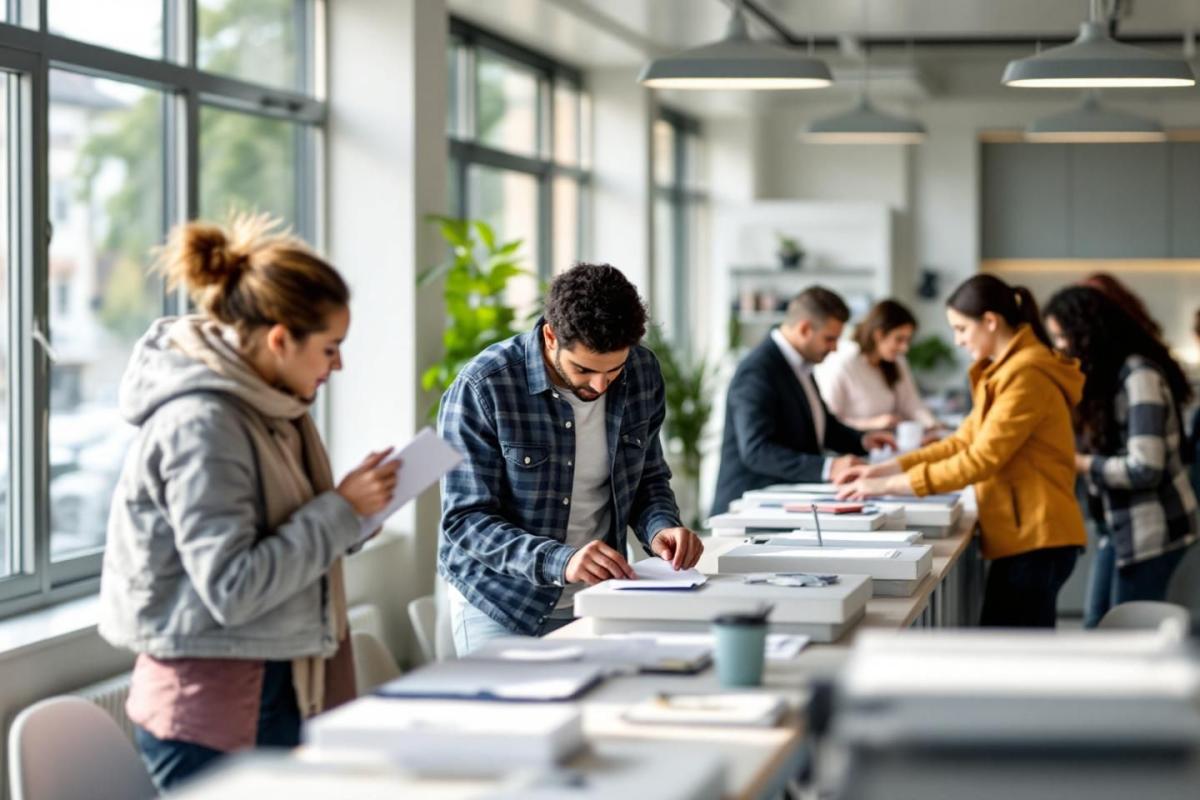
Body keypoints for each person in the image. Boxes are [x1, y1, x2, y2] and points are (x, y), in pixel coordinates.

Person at [99, 215, 400, 790]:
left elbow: (283, 529)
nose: (339, 366)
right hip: (216, 715)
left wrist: (356, 513)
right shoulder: (203, 424)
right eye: (331, 348)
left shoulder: (271, 405)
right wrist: (339, 511)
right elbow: (233, 587)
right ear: (280, 338)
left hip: (272, 688)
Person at [438, 263, 703, 655]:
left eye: (614, 370)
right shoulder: (484, 387)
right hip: (501, 601)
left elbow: (647, 477)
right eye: (584, 369)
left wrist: (659, 527)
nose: (599, 385)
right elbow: (466, 521)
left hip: (598, 597)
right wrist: (559, 560)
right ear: (550, 336)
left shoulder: (643, 373)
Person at [837, 274, 1087, 628]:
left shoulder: (1025, 375)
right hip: (1027, 536)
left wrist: (884, 487)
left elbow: (979, 460)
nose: (957, 341)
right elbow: (959, 442)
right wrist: (882, 471)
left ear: (990, 321)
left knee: (1014, 664)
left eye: (962, 329)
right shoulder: (1005, 371)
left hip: (1038, 538)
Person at [1044, 287, 1197, 627]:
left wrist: (1081, 463)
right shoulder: (1110, 376)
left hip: (1152, 529)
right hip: (1120, 526)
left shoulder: (1139, 377)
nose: (1060, 347)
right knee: (1098, 625)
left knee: (1125, 636)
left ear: (1087, 333)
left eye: (1062, 336)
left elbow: (1145, 468)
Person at [710, 286, 895, 517]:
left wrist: (863, 441)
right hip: (747, 512)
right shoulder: (758, 369)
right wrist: (829, 467)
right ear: (805, 328)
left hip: (783, 504)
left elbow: (823, 426)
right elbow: (757, 450)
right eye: (830, 339)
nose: (835, 348)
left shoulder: (801, 365)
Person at [815, 298, 940, 432]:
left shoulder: (897, 361)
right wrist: (872, 423)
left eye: (908, 340)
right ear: (879, 334)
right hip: (854, 445)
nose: (904, 348)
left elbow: (912, 404)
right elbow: (829, 422)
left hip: (890, 444)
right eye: (899, 339)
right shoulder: (842, 362)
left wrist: (933, 425)